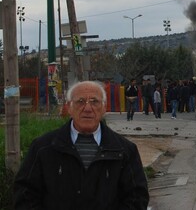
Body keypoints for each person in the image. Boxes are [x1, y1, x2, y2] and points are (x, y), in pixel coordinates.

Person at [13, 81, 149, 209]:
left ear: (103, 108)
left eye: (94, 102)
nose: (88, 108)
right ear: (69, 108)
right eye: (80, 102)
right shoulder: (43, 148)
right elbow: (25, 194)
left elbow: (137, 197)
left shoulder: (124, 150)